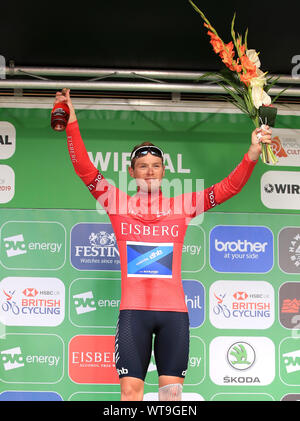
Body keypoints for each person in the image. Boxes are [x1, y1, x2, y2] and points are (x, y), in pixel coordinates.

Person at [54, 89, 272, 401]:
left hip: (174, 314)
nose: (150, 171)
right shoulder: (116, 203)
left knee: (171, 397)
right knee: (131, 394)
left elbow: (229, 188)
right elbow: (84, 170)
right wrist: (72, 122)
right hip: (134, 313)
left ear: (164, 171)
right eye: (143, 166)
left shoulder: (182, 206)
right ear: (132, 172)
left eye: (156, 165)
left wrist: (252, 153)